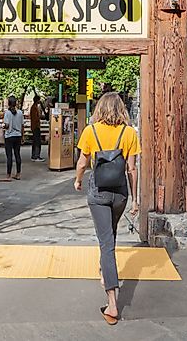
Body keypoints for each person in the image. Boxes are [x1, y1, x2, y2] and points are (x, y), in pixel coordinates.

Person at [74, 92, 140, 325]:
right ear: (121, 109)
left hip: (98, 192)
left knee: (106, 243)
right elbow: (132, 169)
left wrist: (78, 180)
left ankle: (112, 302)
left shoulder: (90, 131)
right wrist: (134, 199)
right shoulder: (130, 133)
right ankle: (105, 271)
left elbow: (83, 162)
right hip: (120, 193)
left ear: (100, 108)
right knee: (110, 235)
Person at [1, 96, 24, 180]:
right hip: (18, 136)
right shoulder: (20, 113)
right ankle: (18, 174)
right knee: (17, 154)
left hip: (9, 136)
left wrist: (3, 126)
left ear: (8, 103)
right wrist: (22, 136)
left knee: (9, 156)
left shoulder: (7, 113)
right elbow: (22, 126)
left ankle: (8, 175)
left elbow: (6, 125)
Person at [29, 95, 45, 161]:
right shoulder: (34, 108)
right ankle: (36, 156)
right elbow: (36, 118)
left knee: (35, 141)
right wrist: (40, 117)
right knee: (37, 142)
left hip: (34, 126)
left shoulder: (34, 107)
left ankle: (34, 156)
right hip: (36, 126)